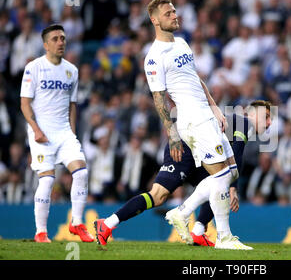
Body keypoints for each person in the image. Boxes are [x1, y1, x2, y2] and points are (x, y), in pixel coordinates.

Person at [108, 0, 247, 250]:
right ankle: (223, 237)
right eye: (168, 13)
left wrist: (214, 106)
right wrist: (172, 135)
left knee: (232, 172)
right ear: (155, 20)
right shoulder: (153, 57)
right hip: (191, 120)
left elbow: (196, 79)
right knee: (221, 176)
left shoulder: (182, 43)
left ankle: (182, 213)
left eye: (174, 11)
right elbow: (159, 99)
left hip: (206, 114)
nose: (174, 15)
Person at [94, 100, 272, 247]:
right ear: (252, 114)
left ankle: (199, 231)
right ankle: (108, 223)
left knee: (215, 183)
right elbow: (237, 154)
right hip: (185, 145)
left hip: (197, 149)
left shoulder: (234, 122)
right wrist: (233, 188)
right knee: (159, 196)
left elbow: (231, 158)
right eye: (266, 117)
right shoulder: (244, 122)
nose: (269, 123)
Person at [20, 24, 93, 243]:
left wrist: (72, 131)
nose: (61, 42)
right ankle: (41, 232)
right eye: (55, 39)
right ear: (45, 44)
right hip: (41, 132)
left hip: (64, 132)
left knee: (81, 173)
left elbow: (72, 105)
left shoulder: (72, 70)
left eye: (62, 38)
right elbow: (24, 103)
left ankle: (77, 224)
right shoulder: (33, 67)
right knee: (47, 181)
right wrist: (35, 130)